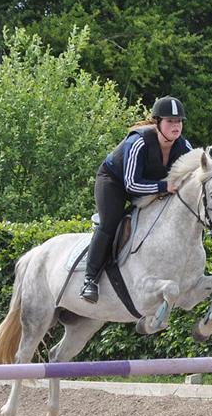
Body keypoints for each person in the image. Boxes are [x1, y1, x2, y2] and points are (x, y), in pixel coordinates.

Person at [80, 95, 194, 302]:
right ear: (157, 123)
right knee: (110, 222)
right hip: (114, 182)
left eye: (179, 121)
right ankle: (90, 279)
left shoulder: (184, 147)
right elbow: (131, 185)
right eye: (170, 121)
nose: (176, 126)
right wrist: (164, 186)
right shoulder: (138, 142)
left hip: (147, 185)